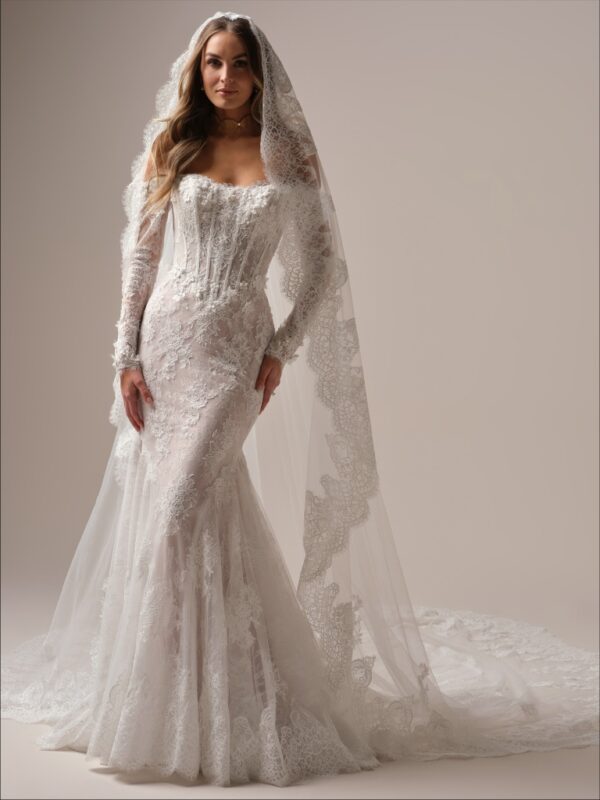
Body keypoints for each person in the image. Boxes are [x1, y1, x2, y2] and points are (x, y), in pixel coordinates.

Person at [2, 10, 598, 789]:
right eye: (212, 63)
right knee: (184, 513)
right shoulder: (175, 146)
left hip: (233, 357)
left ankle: (204, 704)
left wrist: (279, 349)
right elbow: (141, 258)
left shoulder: (287, 153)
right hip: (168, 345)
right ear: (198, 72)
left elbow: (320, 269)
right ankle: (176, 698)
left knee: (180, 509)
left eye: (239, 63)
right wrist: (126, 355)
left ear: (261, 74)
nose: (224, 77)